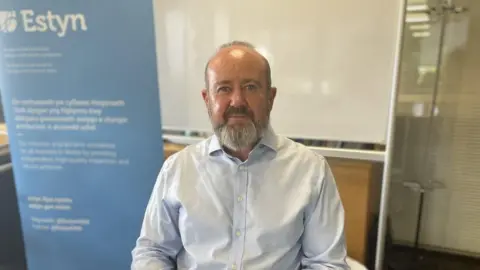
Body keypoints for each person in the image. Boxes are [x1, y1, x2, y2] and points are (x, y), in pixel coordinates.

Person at [131, 41, 349, 269]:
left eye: (251, 87)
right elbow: (152, 251)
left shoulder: (310, 170)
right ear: (207, 99)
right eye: (224, 88)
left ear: (270, 98)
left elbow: (327, 263)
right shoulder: (179, 168)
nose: (237, 101)